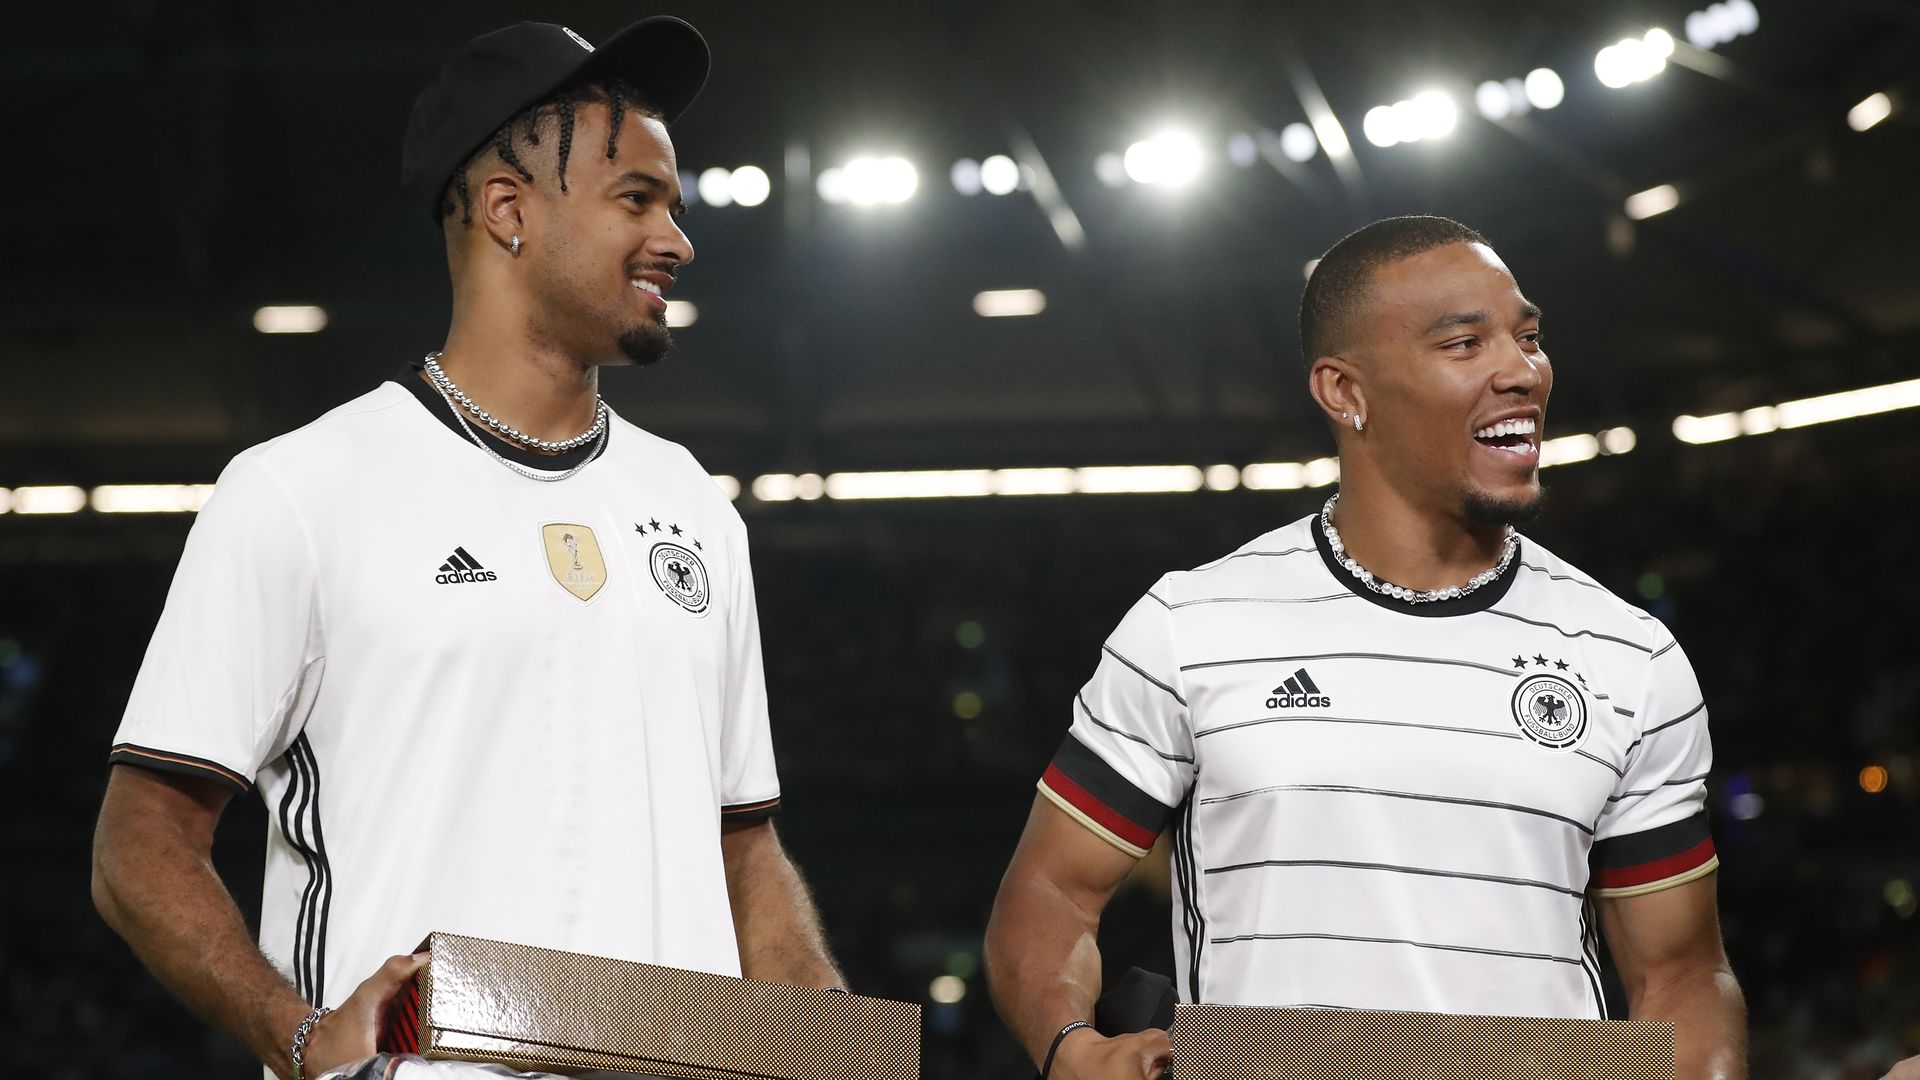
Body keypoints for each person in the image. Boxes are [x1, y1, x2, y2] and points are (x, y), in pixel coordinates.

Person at [89, 18, 842, 1080]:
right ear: (507, 210)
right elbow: (140, 844)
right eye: (638, 199)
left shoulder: (695, 507)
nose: (677, 240)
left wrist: (824, 1034)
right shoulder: (300, 490)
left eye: (671, 205)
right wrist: (295, 1033)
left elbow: (743, 846)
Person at [984, 216, 1746, 1080]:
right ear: (1346, 391)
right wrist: (1070, 1046)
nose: (1522, 370)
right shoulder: (1191, 626)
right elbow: (1049, 894)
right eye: (1465, 343)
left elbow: (1681, 973)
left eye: (1529, 338)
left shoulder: (1630, 656)